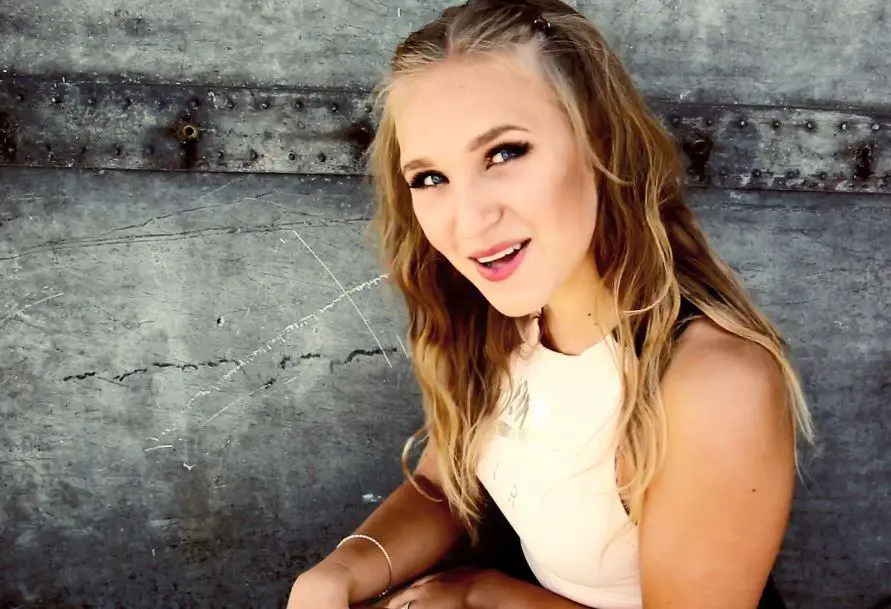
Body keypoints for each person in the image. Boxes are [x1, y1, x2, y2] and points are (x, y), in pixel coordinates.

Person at [287, 0, 814, 607]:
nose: (470, 220)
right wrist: (339, 573)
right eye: (431, 178)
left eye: (505, 153)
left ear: (600, 141)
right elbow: (445, 483)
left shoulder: (713, 383)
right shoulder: (503, 320)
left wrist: (484, 596)